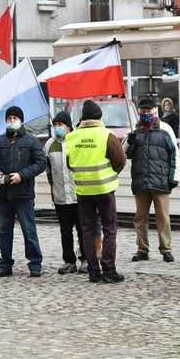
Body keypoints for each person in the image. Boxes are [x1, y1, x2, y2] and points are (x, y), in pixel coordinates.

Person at [66, 100, 127, 283]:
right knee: (109, 229)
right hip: (104, 188)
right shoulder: (106, 134)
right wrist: (110, 172)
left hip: (83, 190)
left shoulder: (73, 137)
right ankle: (109, 269)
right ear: (100, 117)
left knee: (87, 231)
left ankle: (93, 271)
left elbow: (70, 164)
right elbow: (121, 160)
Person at [0, 106, 46, 278]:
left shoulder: (32, 141)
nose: (12, 121)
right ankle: (5, 263)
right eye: (9, 118)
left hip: (23, 193)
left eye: (15, 118)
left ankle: (35, 264)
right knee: (5, 231)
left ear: (21, 120)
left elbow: (40, 163)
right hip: (3, 194)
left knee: (29, 230)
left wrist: (21, 175)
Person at [126, 99, 178, 263]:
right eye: (143, 112)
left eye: (149, 112)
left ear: (155, 112)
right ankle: (142, 249)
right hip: (141, 180)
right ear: (139, 112)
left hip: (160, 180)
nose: (146, 115)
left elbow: (174, 154)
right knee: (140, 218)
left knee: (163, 217)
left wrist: (173, 178)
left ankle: (166, 249)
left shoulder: (165, 130)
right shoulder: (135, 130)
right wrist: (130, 141)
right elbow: (123, 154)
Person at [44, 111, 85, 275]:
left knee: (82, 230)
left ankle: (86, 259)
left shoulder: (77, 140)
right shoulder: (49, 144)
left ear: (68, 126)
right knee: (65, 231)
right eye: (55, 125)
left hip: (78, 195)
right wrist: (54, 190)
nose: (57, 128)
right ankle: (69, 261)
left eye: (60, 125)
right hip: (60, 196)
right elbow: (48, 171)